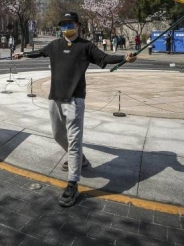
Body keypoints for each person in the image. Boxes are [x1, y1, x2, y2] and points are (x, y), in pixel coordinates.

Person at [13, 12, 137, 208]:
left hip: (74, 100)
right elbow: (40, 52)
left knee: (74, 140)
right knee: (57, 135)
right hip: (54, 97)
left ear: (78, 25)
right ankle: (82, 160)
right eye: (63, 24)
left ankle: (73, 183)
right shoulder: (55, 45)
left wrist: (125, 57)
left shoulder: (86, 47)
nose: (66, 27)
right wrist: (23, 55)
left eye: (69, 23)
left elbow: (105, 58)